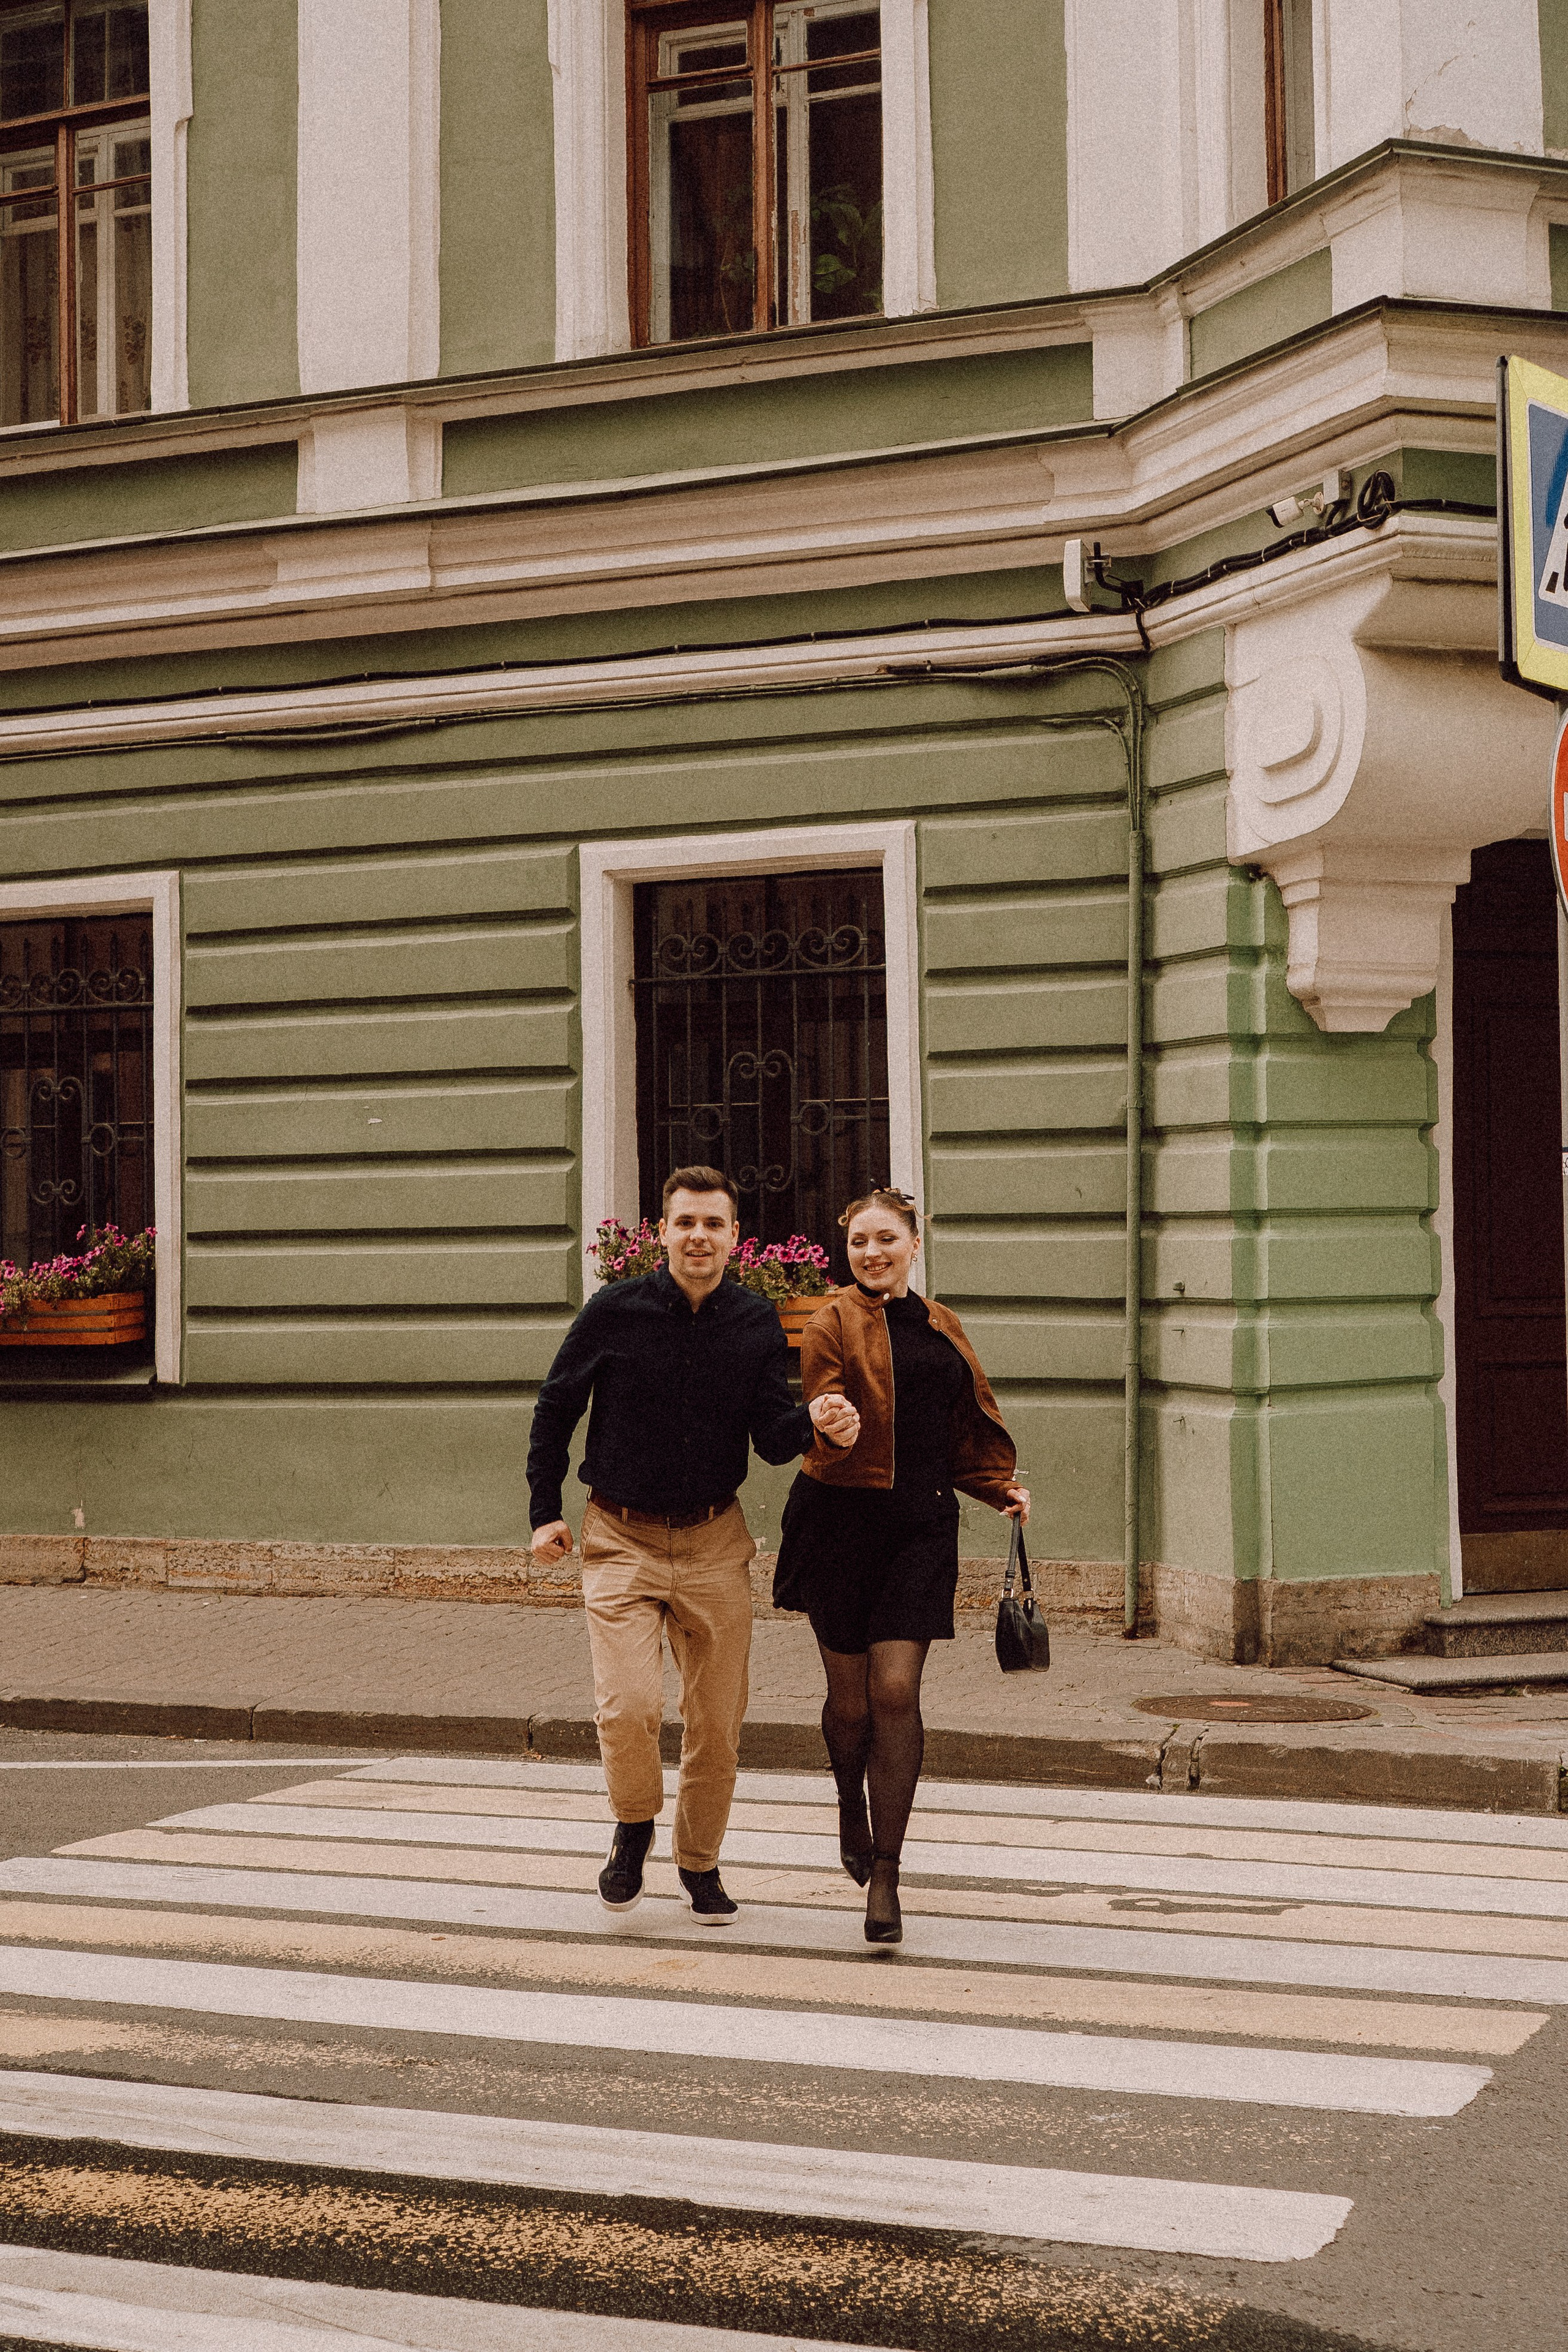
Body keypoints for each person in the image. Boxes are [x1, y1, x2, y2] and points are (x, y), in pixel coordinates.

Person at [527, 1166, 859, 1923]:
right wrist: (544, 1510)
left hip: (714, 1542)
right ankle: (634, 1823)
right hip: (619, 1539)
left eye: (713, 1224)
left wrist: (819, 1425)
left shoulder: (751, 1322)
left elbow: (774, 1441)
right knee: (629, 1705)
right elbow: (556, 1407)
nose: (699, 1237)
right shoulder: (615, 1310)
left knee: (716, 1722)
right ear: (663, 1233)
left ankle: (700, 1863)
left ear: (734, 1237)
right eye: (685, 1222)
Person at [773, 1186, 1030, 1945]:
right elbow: (822, 1409)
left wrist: (996, 1487)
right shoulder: (829, 1323)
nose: (872, 1253)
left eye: (885, 1239)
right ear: (845, 1251)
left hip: (920, 1528)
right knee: (848, 1705)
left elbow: (959, 1429)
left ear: (914, 1244)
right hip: (840, 1525)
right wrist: (832, 1425)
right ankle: (848, 1802)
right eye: (858, 1243)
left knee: (894, 1692)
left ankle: (885, 1873)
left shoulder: (942, 1326)